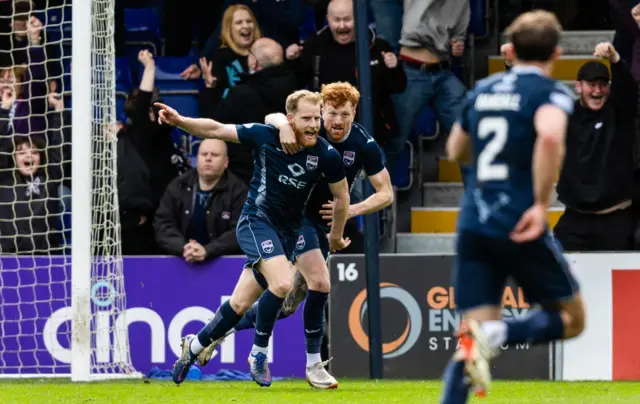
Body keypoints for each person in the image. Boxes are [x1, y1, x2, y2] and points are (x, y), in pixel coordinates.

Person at [194, 82, 394, 389]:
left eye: (344, 114)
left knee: (286, 306)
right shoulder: (311, 128)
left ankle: (215, 334)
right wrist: (279, 123)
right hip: (293, 219)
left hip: (322, 225)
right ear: (321, 112)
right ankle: (314, 365)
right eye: (331, 114)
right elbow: (277, 117)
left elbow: (386, 194)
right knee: (320, 282)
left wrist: (351, 210)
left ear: (355, 112)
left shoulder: (363, 144)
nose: (336, 122)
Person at [153, 89, 351, 387]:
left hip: (286, 233)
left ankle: (191, 348)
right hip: (255, 222)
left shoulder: (326, 154)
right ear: (290, 119)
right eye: (306, 118)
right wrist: (180, 121)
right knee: (283, 283)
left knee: (238, 305)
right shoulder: (267, 136)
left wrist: (336, 235)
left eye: (316, 118)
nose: (313, 124)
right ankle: (259, 353)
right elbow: (217, 128)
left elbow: (342, 196)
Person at [441, 11, 585, 403]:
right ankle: (497, 333)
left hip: (473, 223)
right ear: (556, 53)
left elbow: (455, 149)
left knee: (470, 344)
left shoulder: (482, 90)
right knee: (573, 319)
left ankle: (485, 338)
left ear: (510, 50)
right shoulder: (549, 92)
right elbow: (551, 136)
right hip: (519, 221)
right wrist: (540, 203)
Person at [153, 139, 247, 262]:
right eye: (204, 154)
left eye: (214, 155)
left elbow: (242, 231)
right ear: (197, 159)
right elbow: (162, 225)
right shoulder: (178, 185)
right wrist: (184, 248)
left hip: (224, 264)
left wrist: (208, 250)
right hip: (181, 262)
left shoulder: (238, 191)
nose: (208, 158)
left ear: (226, 162)